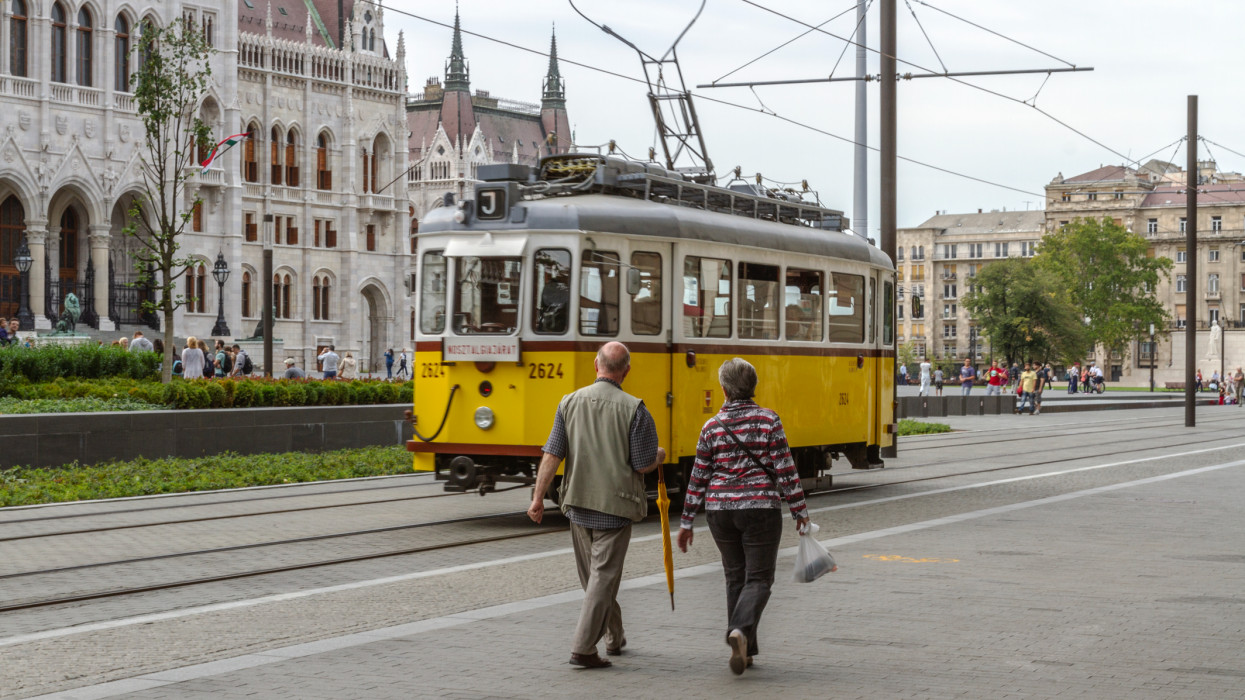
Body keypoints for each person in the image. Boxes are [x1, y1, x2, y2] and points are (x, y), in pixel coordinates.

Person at [527, 342, 664, 670]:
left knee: (595, 581)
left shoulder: (569, 402)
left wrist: (537, 498)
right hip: (616, 507)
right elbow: (643, 463)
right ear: (626, 371)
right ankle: (583, 648)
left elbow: (553, 453)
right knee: (602, 578)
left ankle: (614, 637)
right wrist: (659, 455)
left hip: (577, 502)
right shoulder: (636, 409)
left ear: (595, 365)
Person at [678, 357, 809, 676]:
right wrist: (799, 510)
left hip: (720, 512)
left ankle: (745, 648)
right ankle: (739, 631)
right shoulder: (768, 420)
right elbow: (785, 467)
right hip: (759, 509)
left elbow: (698, 476)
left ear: (723, 389)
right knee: (760, 578)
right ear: (754, 387)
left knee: (735, 576)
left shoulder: (711, 426)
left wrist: (686, 521)